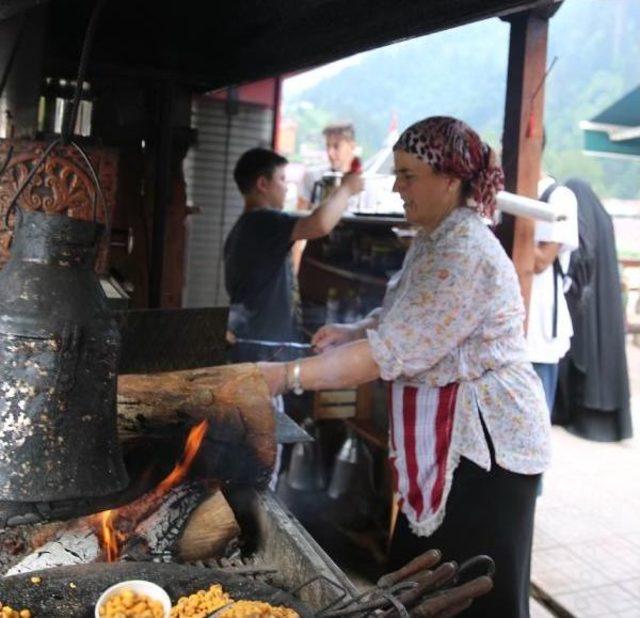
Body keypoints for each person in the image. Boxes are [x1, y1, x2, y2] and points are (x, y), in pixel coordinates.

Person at [258, 116, 551, 617]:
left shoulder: (464, 251)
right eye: (396, 173)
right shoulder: (437, 236)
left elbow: (388, 352)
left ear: (451, 180)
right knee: (421, 584)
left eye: (409, 175)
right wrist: (352, 331)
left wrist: (287, 376)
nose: (397, 186)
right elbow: (402, 311)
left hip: (487, 452)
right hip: (457, 442)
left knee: (472, 594)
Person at [224, 147, 363, 363]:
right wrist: (346, 188)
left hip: (252, 342)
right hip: (264, 349)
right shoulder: (263, 222)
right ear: (262, 184)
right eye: (281, 179)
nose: (287, 188)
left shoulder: (245, 227)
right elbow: (320, 224)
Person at [553, 178, 632, 442]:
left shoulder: (581, 213)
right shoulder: (605, 218)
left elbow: (581, 255)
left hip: (587, 301)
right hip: (605, 302)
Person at [526, 166, 579, 413]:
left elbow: (541, 261)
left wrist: (512, 217)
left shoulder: (559, 197)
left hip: (540, 326)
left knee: (535, 415)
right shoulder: (513, 196)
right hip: (510, 328)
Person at [300, 122, 358, 208]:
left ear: (352, 146)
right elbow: (301, 213)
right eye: (328, 146)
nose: (330, 153)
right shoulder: (312, 177)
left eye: (336, 146)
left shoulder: (366, 183)